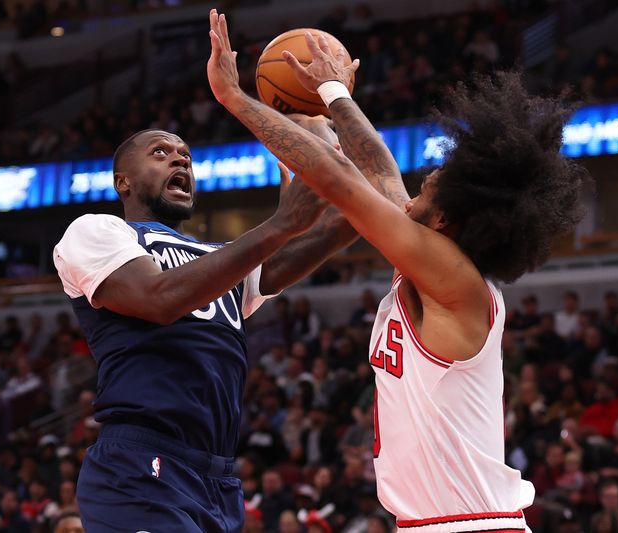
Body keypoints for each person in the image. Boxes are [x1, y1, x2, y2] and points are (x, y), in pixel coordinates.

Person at [207, 9, 585, 531]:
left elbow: (340, 177)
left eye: (426, 190)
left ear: (447, 218)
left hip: (473, 524)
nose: (411, 195)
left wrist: (235, 98)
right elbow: (377, 168)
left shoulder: (455, 281)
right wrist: (333, 97)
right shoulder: (432, 261)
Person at [53, 76, 368, 532]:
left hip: (217, 476)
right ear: (122, 181)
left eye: (185, 155)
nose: (180, 157)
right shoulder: (97, 231)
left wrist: (321, 123)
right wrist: (280, 225)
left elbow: (342, 224)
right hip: (141, 464)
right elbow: (159, 299)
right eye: (160, 152)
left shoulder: (218, 259)